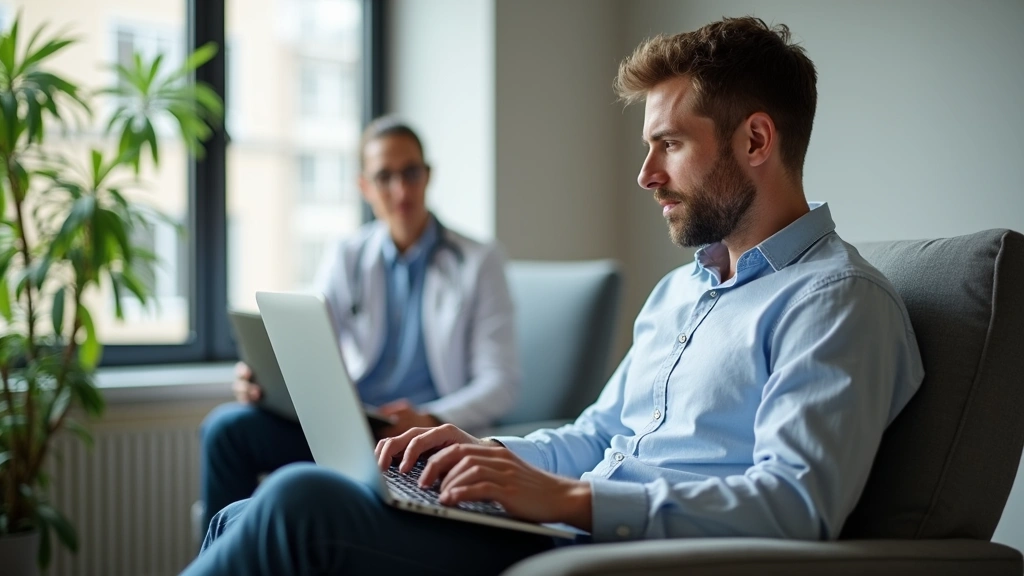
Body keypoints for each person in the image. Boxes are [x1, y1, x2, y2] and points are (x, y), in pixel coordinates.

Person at [182, 17, 925, 576]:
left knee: (295, 505)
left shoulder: (836, 302)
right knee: (246, 513)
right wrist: (477, 455)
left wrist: (570, 501)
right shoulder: (680, 292)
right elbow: (596, 434)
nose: (646, 174)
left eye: (668, 143)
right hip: (558, 526)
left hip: (613, 551)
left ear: (756, 141)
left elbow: (796, 506)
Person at [197, 117, 520, 532]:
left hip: (426, 439)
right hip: (353, 429)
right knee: (226, 429)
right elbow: (311, 349)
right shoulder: (348, 255)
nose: (401, 190)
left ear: (428, 175)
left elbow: (501, 384)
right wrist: (265, 382)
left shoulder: (479, 261)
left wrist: (429, 417)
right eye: (385, 177)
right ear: (364, 187)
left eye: (411, 173)